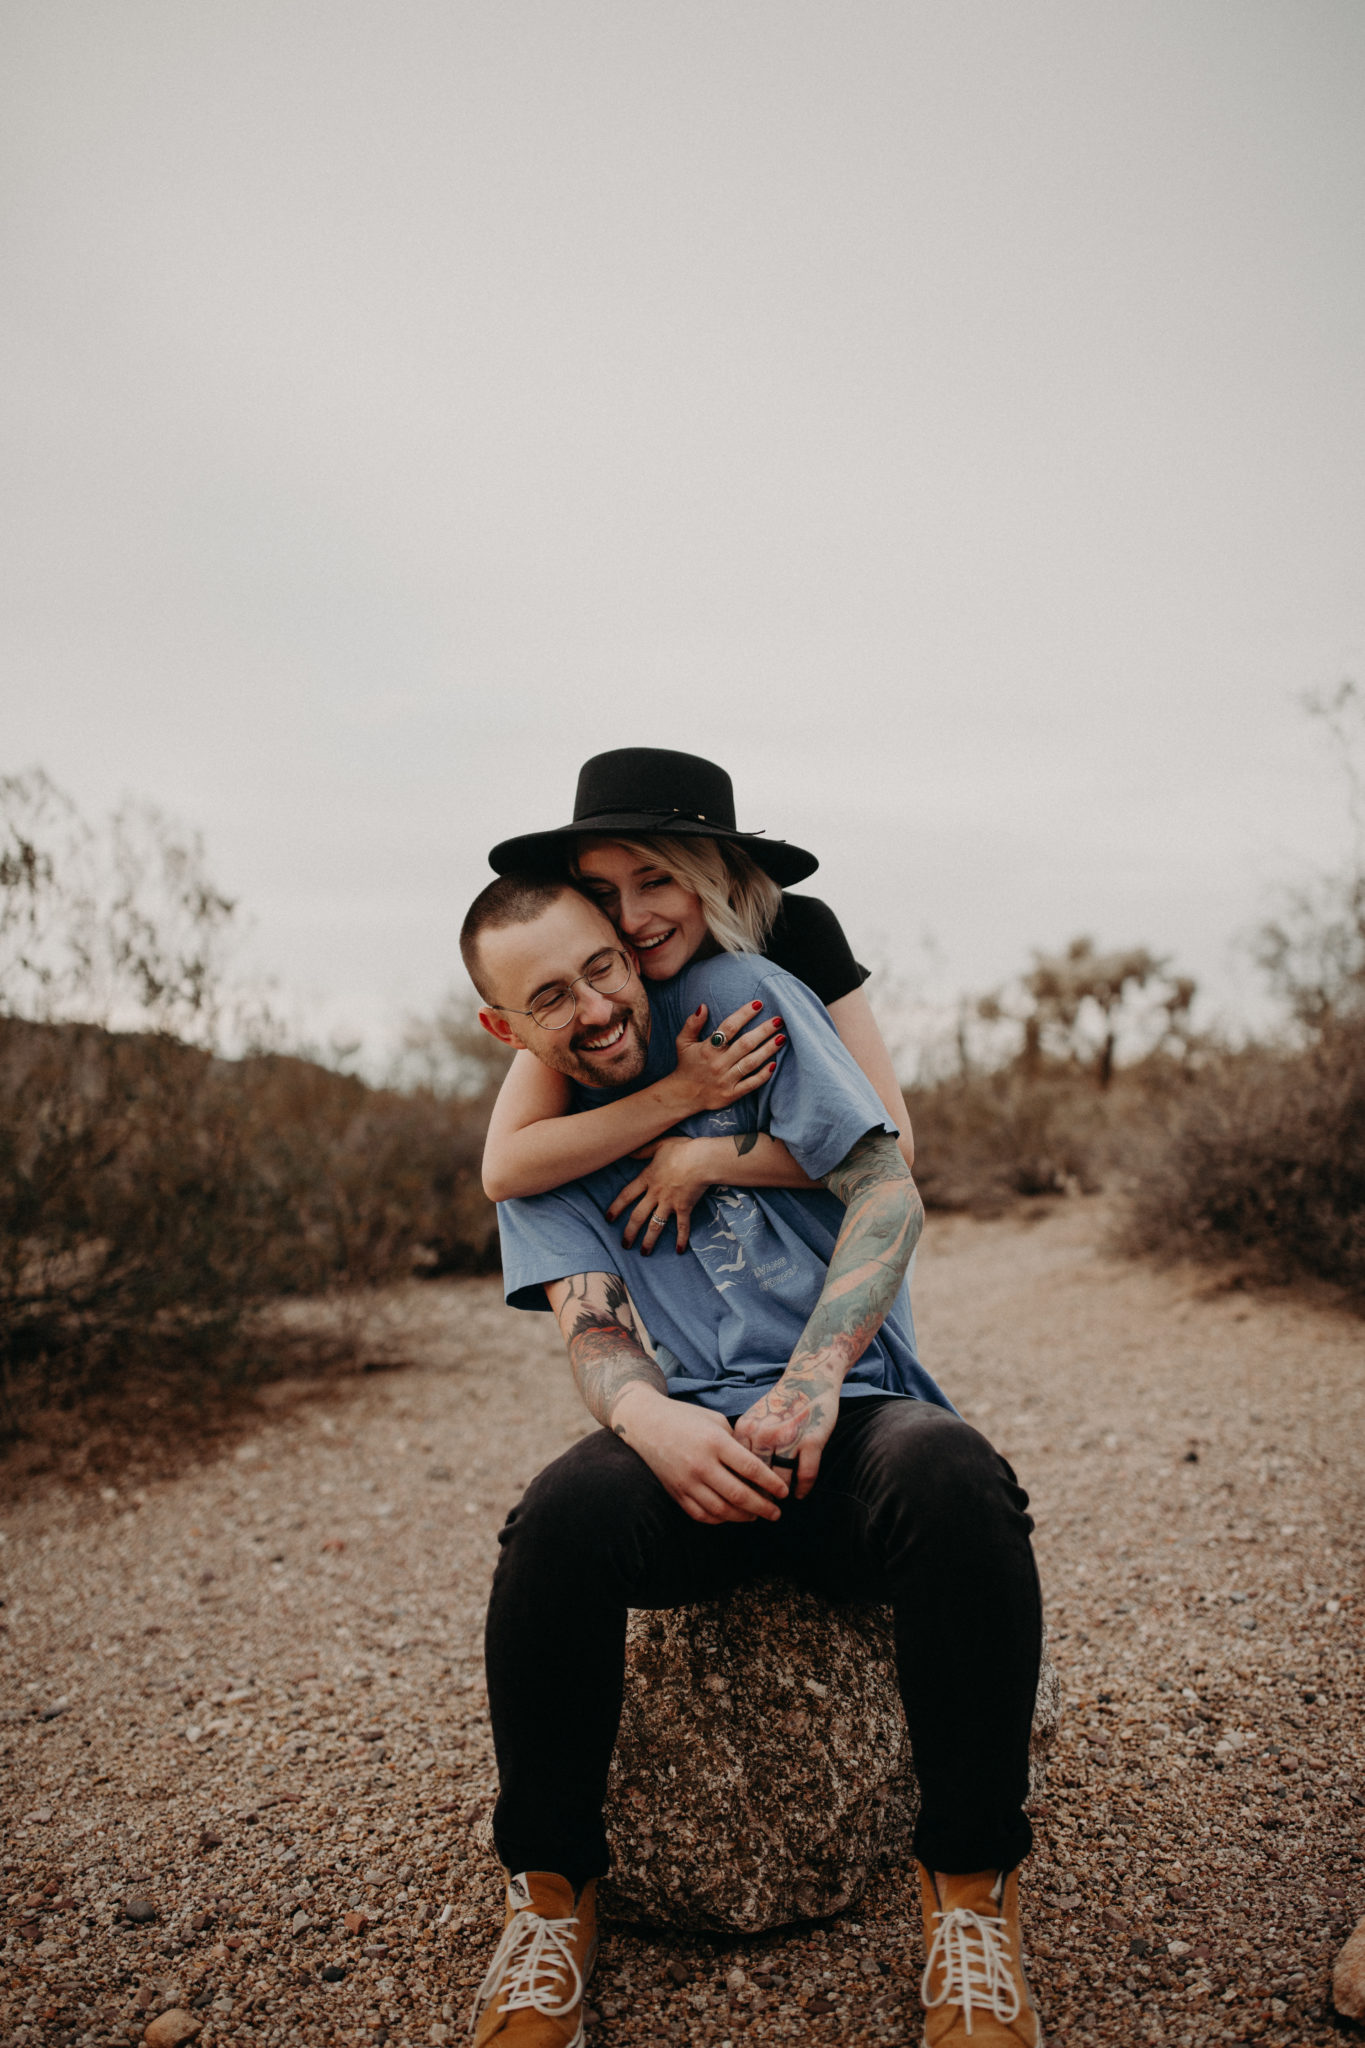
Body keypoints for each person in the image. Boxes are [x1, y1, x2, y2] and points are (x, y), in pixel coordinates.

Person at [460, 872, 1047, 2048]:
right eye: (549, 996)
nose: (592, 1004)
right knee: (558, 1521)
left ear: (633, 952)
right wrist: (649, 1422)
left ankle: (973, 1893)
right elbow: (593, 1316)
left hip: (850, 1413)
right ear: (505, 1029)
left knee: (955, 1477)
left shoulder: (737, 1001)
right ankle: (550, 1895)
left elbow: (886, 1186)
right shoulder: (547, 1142)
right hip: (697, 1450)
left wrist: (820, 1373)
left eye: (602, 965)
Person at [480, 747, 916, 1255]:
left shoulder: (798, 934)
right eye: (601, 892)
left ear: (716, 874)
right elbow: (506, 1168)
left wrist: (702, 1160)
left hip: (815, 1251)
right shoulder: (597, 973)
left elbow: (895, 1148)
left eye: (656, 881)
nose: (629, 920)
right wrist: (684, 1094)